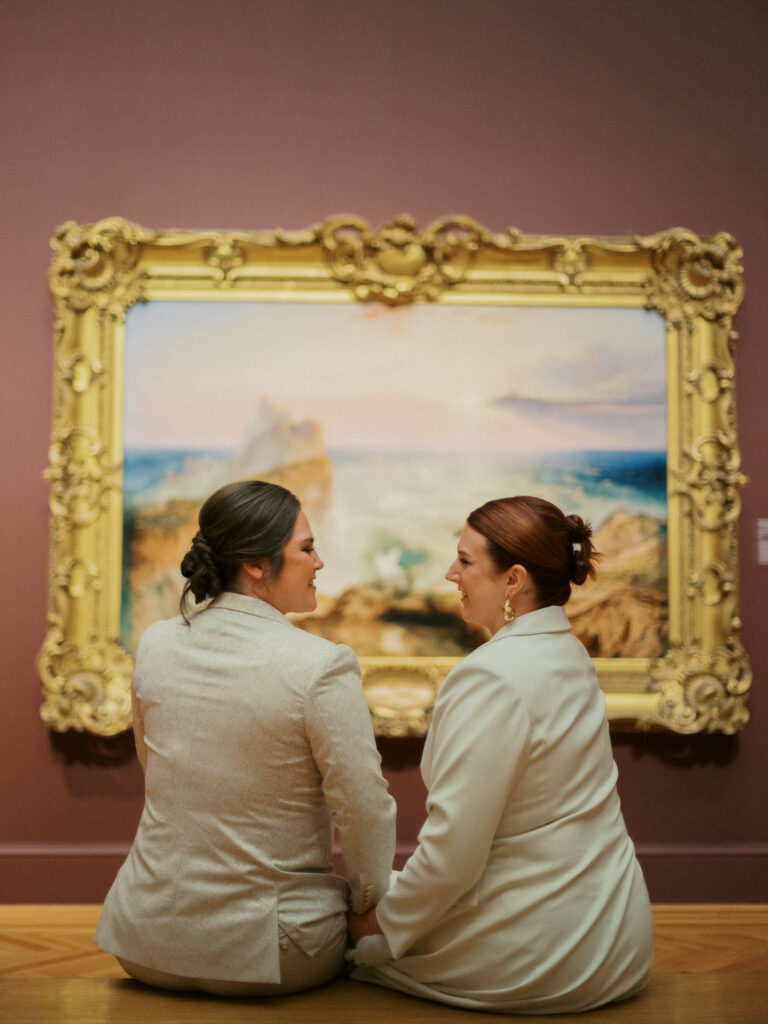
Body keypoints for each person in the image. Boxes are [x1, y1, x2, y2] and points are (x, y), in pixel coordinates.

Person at [348, 495, 653, 1014]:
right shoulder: (567, 649)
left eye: (465, 562)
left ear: (514, 580)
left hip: (544, 956)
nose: (450, 574)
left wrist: (371, 929)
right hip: (620, 937)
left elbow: (452, 860)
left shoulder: (490, 677)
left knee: (329, 932)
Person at [96, 480, 396, 997]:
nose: (319, 562)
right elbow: (364, 806)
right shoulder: (321, 665)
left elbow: (155, 763)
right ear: (256, 565)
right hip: (273, 956)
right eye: (306, 548)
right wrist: (369, 904)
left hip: (144, 945)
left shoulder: (157, 642)